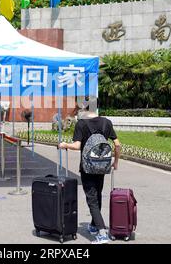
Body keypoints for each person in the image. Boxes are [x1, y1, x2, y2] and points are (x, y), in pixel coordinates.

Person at [59, 97, 121, 244]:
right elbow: (117, 145)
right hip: (102, 166)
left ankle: (101, 233)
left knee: (91, 199)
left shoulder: (82, 123)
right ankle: (94, 225)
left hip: (87, 167)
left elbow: (77, 146)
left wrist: (64, 144)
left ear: (85, 108)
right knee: (97, 195)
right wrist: (115, 162)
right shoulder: (106, 122)